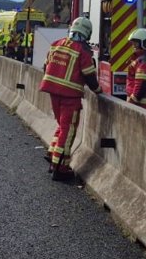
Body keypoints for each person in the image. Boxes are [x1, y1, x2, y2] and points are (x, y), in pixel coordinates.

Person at [38, 16, 100, 178]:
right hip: (70, 96)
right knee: (69, 129)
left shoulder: (57, 44)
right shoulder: (83, 51)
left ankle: (53, 154)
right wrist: (98, 90)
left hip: (52, 91)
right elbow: (89, 76)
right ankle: (60, 168)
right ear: (87, 33)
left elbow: (46, 66)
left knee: (62, 125)